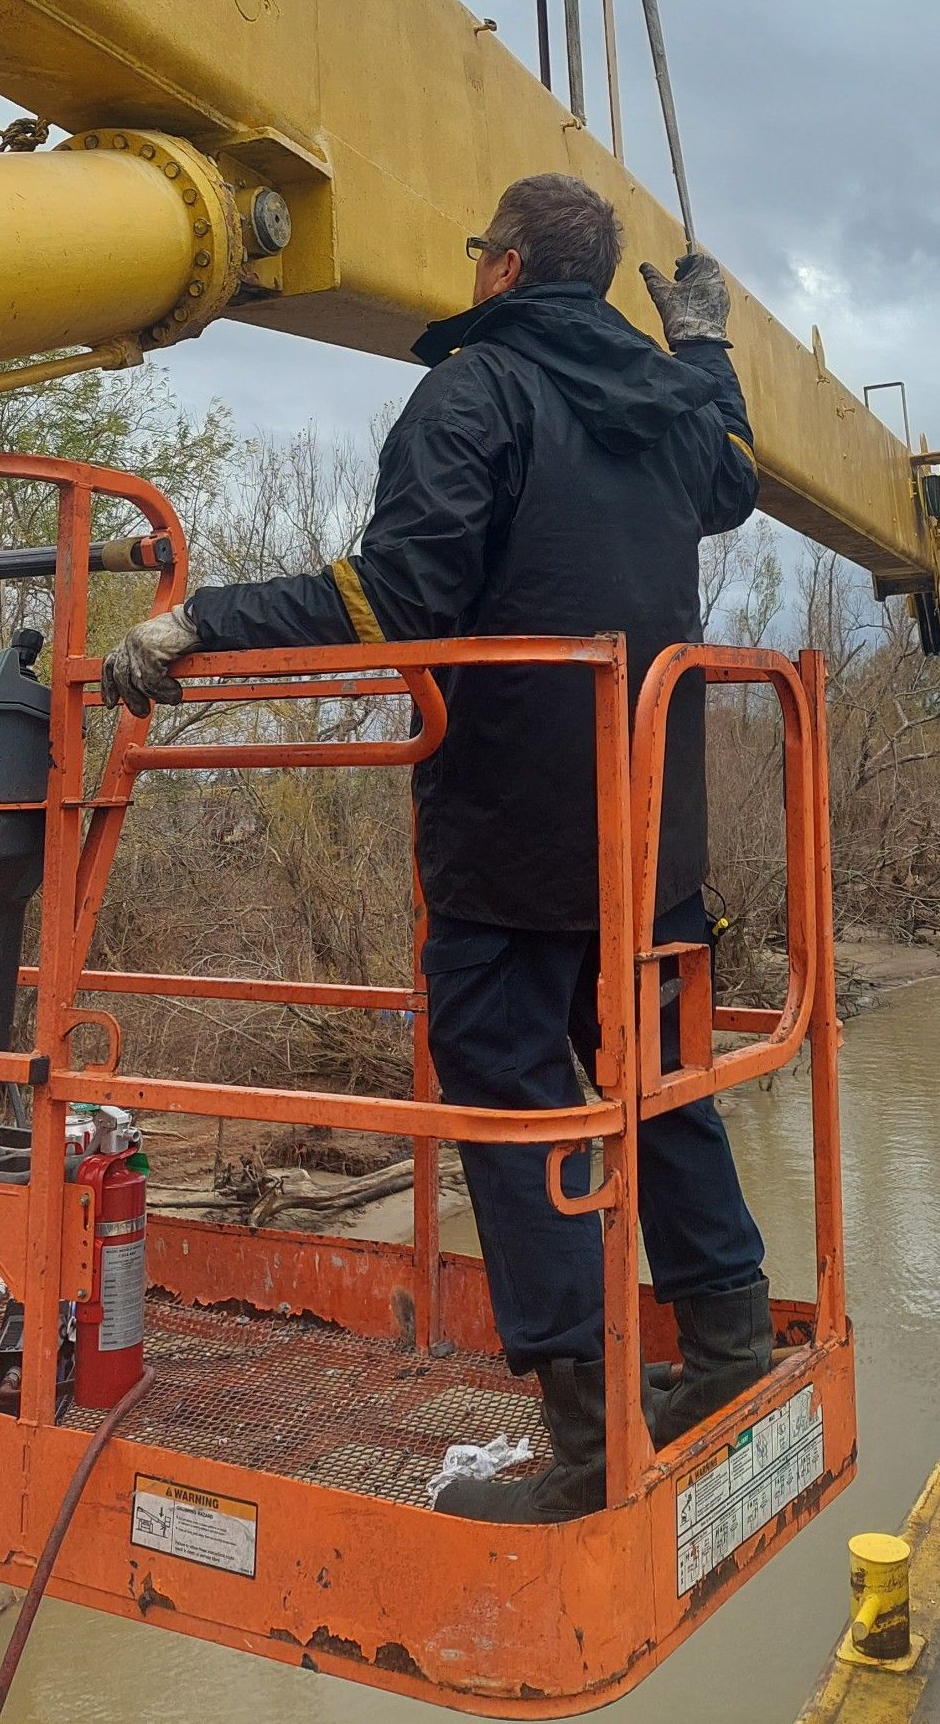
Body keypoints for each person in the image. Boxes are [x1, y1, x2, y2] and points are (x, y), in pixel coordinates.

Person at [102, 173, 770, 1521]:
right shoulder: (666, 404)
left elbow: (394, 591)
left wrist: (197, 624)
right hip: (650, 824)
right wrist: (703, 345)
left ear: (501, 270)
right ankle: (727, 1352)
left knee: (505, 1091)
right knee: (656, 1073)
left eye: (480, 258)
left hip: (516, 831)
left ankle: (586, 1447)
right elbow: (733, 485)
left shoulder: (475, 391)